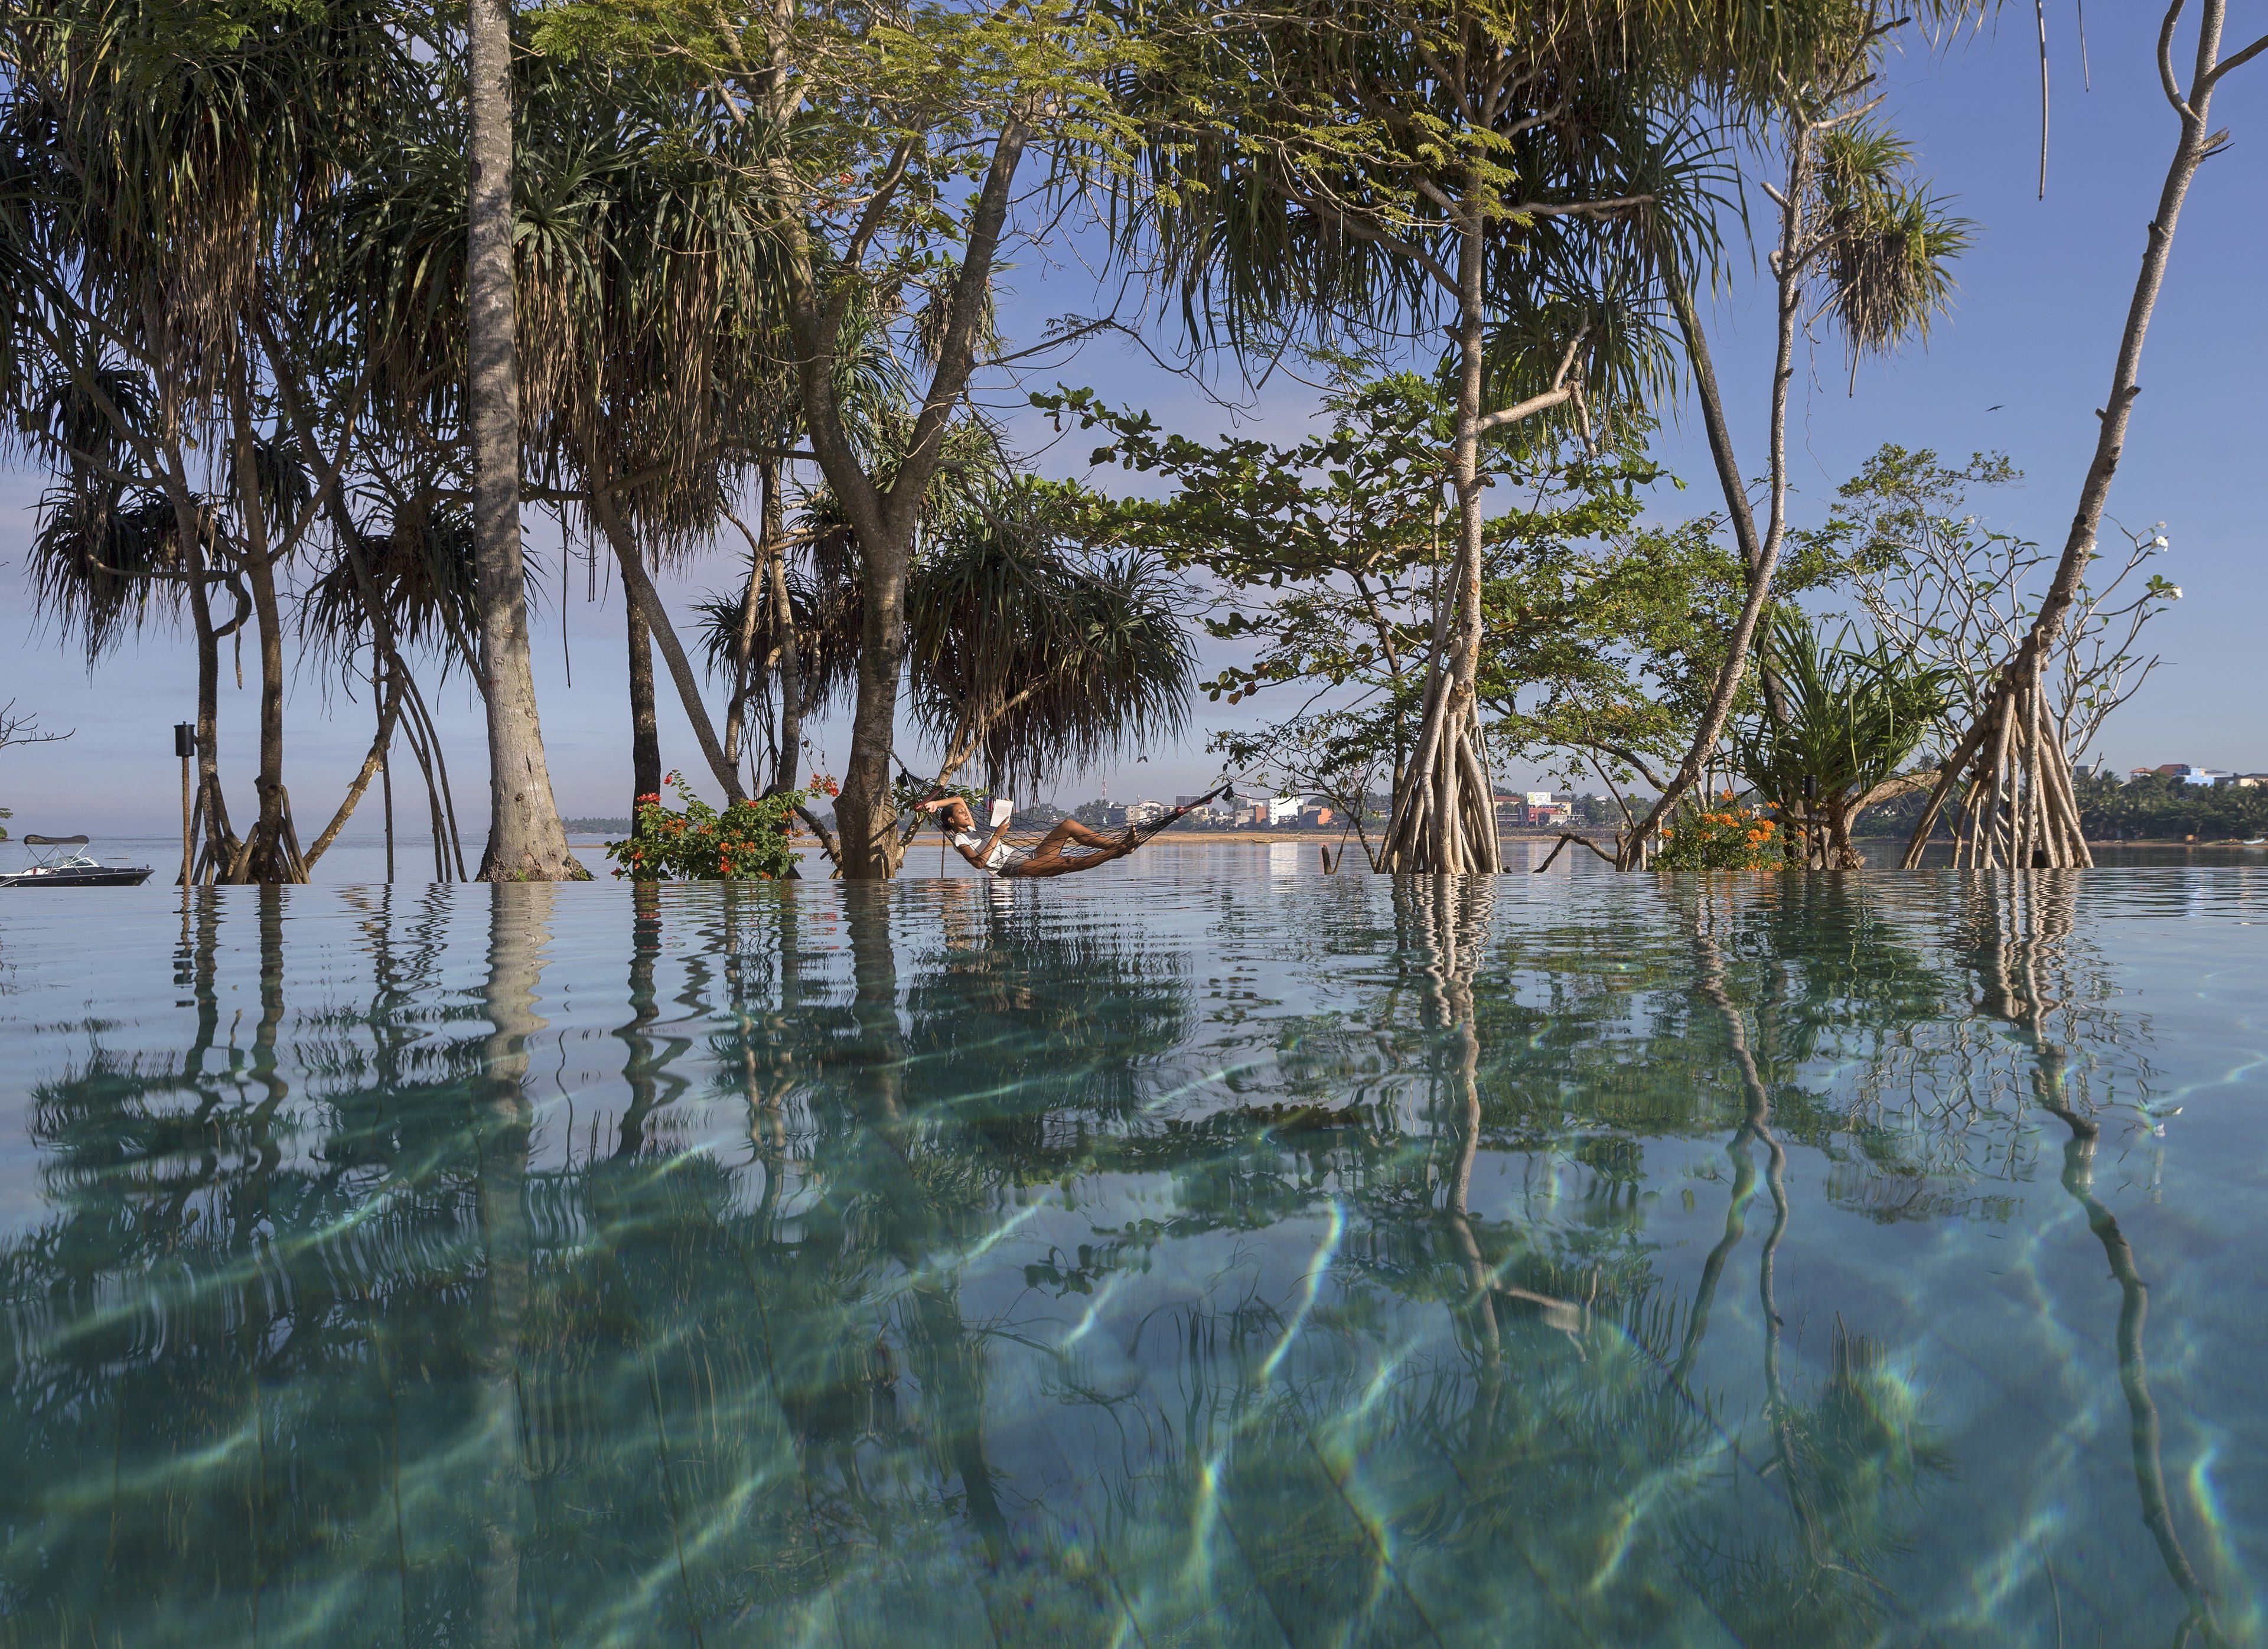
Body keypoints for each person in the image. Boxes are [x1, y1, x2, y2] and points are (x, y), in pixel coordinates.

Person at [915, 795, 1139, 879]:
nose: (966, 813)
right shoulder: (960, 840)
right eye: (961, 813)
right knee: (1069, 862)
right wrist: (997, 835)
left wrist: (935, 803)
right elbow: (979, 864)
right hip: (1010, 867)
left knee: (1068, 825)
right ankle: (1119, 851)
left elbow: (960, 799)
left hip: (1026, 856)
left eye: (965, 812)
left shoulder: (972, 830)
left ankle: (1122, 846)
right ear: (952, 820)